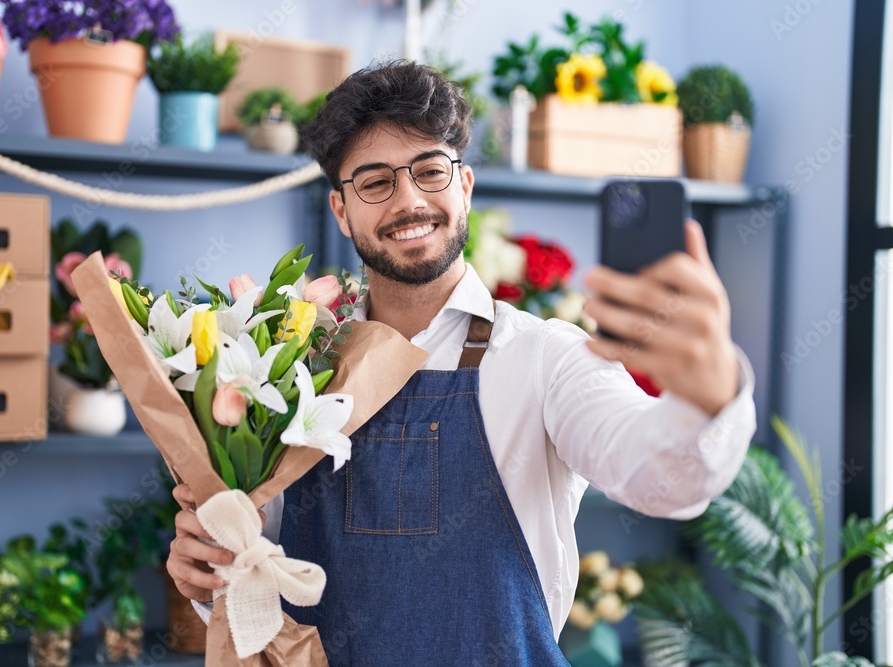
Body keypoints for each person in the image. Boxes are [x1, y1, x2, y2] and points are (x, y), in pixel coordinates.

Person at [167, 60, 756, 666]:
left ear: (465, 186)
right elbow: (259, 579)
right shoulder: (288, 372)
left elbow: (665, 480)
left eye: (430, 171)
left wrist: (708, 397)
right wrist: (213, 576)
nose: (409, 200)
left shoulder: (544, 358)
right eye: (375, 182)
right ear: (341, 210)